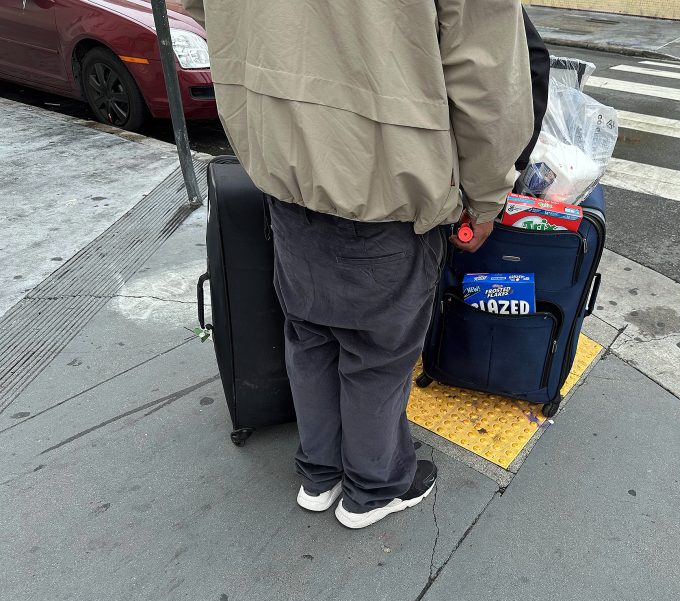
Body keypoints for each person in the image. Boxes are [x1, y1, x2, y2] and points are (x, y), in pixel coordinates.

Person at [182, 0, 534, 528]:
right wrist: (485, 196)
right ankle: (373, 488)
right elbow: (488, 81)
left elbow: (200, 9)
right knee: (377, 352)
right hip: (384, 177)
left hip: (284, 168)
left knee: (309, 333)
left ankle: (319, 474)